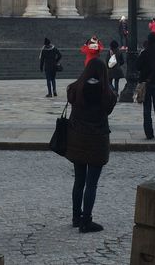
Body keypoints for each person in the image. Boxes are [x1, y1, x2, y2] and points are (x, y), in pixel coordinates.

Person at [66, 58, 117, 233]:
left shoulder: (75, 89)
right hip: (97, 140)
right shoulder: (107, 93)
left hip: (78, 139)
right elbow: (109, 108)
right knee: (91, 184)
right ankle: (86, 221)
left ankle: (75, 217)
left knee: (79, 180)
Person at [136, 32, 155, 140]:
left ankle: (149, 133)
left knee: (147, 109)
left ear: (148, 40)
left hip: (146, 83)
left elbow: (138, 66)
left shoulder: (144, 52)